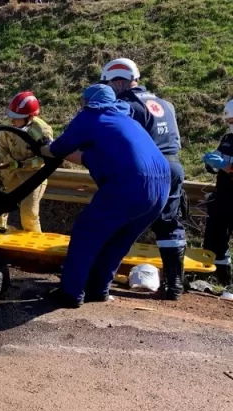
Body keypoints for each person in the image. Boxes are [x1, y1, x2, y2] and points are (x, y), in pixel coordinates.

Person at [38, 84, 170, 308]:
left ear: (88, 102)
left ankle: (70, 293)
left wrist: (43, 148)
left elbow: (59, 148)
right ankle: (98, 289)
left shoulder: (91, 116)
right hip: (162, 184)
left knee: (86, 232)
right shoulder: (126, 121)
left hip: (130, 183)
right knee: (119, 239)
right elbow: (92, 157)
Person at [100, 58, 187, 300]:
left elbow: (118, 139)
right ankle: (175, 285)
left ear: (118, 81)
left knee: (117, 220)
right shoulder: (165, 103)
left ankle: (99, 280)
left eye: (109, 83)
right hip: (173, 164)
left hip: (145, 168)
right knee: (169, 224)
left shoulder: (126, 105)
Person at [0, 91, 53, 232]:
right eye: (11, 117)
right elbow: (2, 147)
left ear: (29, 117)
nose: (12, 121)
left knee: (28, 213)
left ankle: (33, 248)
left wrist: (24, 164)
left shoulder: (42, 132)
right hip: (10, 171)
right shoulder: (8, 126)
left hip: (34, 175)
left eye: (16, 118)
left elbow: (45, 159)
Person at [201, 99, 233, 288]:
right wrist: (212, 164)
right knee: (215, 241)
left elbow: (227, 166)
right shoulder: (228, 139)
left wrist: (227, 166)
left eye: (231, 121)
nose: (229, 124)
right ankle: (223, 283)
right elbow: (217, 161)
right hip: (223, 197)